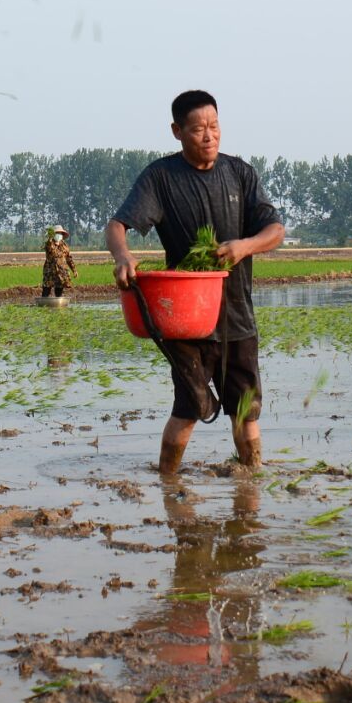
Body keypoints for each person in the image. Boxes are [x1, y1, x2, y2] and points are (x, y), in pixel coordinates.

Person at [106, 90, 285, 472]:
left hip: (237, 318)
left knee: (246, 414)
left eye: (215, 126)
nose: (209, 136)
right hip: (186, 322)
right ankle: (168, 481)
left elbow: (275, 230)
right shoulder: (161, 178)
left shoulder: (240, 174)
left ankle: (250, 482)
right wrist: (123, 256)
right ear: (177, 131)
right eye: (198, 129)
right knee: (188, 410)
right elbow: (117, 225)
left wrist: (244, 246)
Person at [40, 225, 76, 298]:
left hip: (61, 271)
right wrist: (50, 237)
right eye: (57, 233)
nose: (59, 235)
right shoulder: (49, 243)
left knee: (59, 290)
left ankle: (58, 305)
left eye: (60, 233)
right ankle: (43, 305)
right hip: (50, 271)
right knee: (46, 289)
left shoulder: (64, 246)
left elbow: (69, 258)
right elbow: (49, 247)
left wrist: (74, 270)